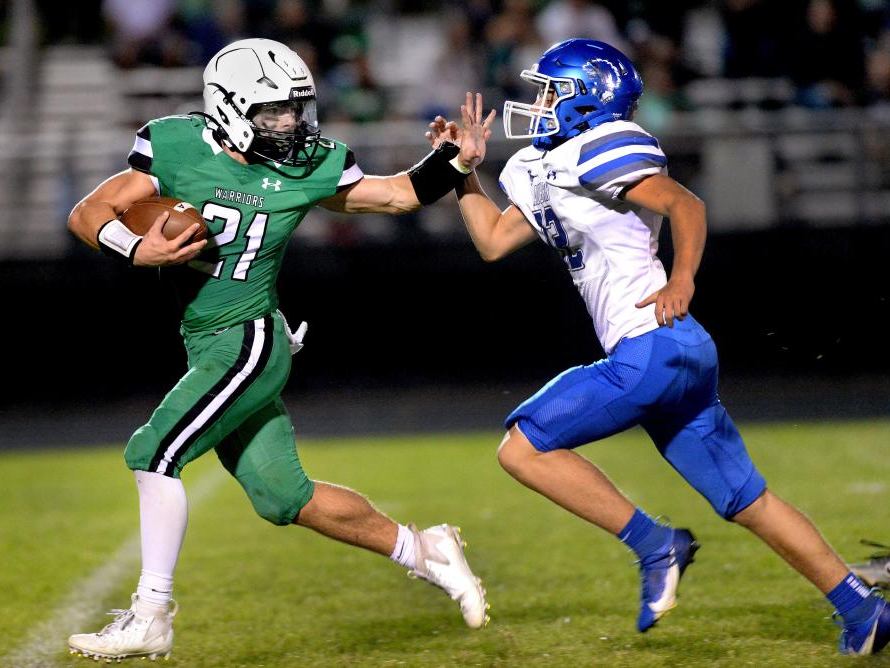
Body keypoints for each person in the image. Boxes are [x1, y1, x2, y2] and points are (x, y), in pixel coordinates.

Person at [429, 39, 889, 655]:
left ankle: (655, 544)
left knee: (522, 449)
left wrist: (683, 277)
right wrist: (463, 172)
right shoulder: (551, 164)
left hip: (647, 348)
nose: (538, 103)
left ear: (585, 98)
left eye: (550, 91)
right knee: (747, 500)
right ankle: (863, 610)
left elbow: (684, 204)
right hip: (679, 354)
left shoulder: (599, 145)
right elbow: (490, 240)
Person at [65, 38, 488, 662]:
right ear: (228, 108)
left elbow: (396, 194)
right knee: (284, 498)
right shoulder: (175, 144)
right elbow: (89, 211)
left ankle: (150, 615)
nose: (290, 123)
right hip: (207, 341)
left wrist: (456, 163)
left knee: (153, 452)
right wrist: (135, 248)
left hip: (250, 338)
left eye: (295, 109)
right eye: (273, 112)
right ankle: (425, 550)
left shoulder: (311, 162)